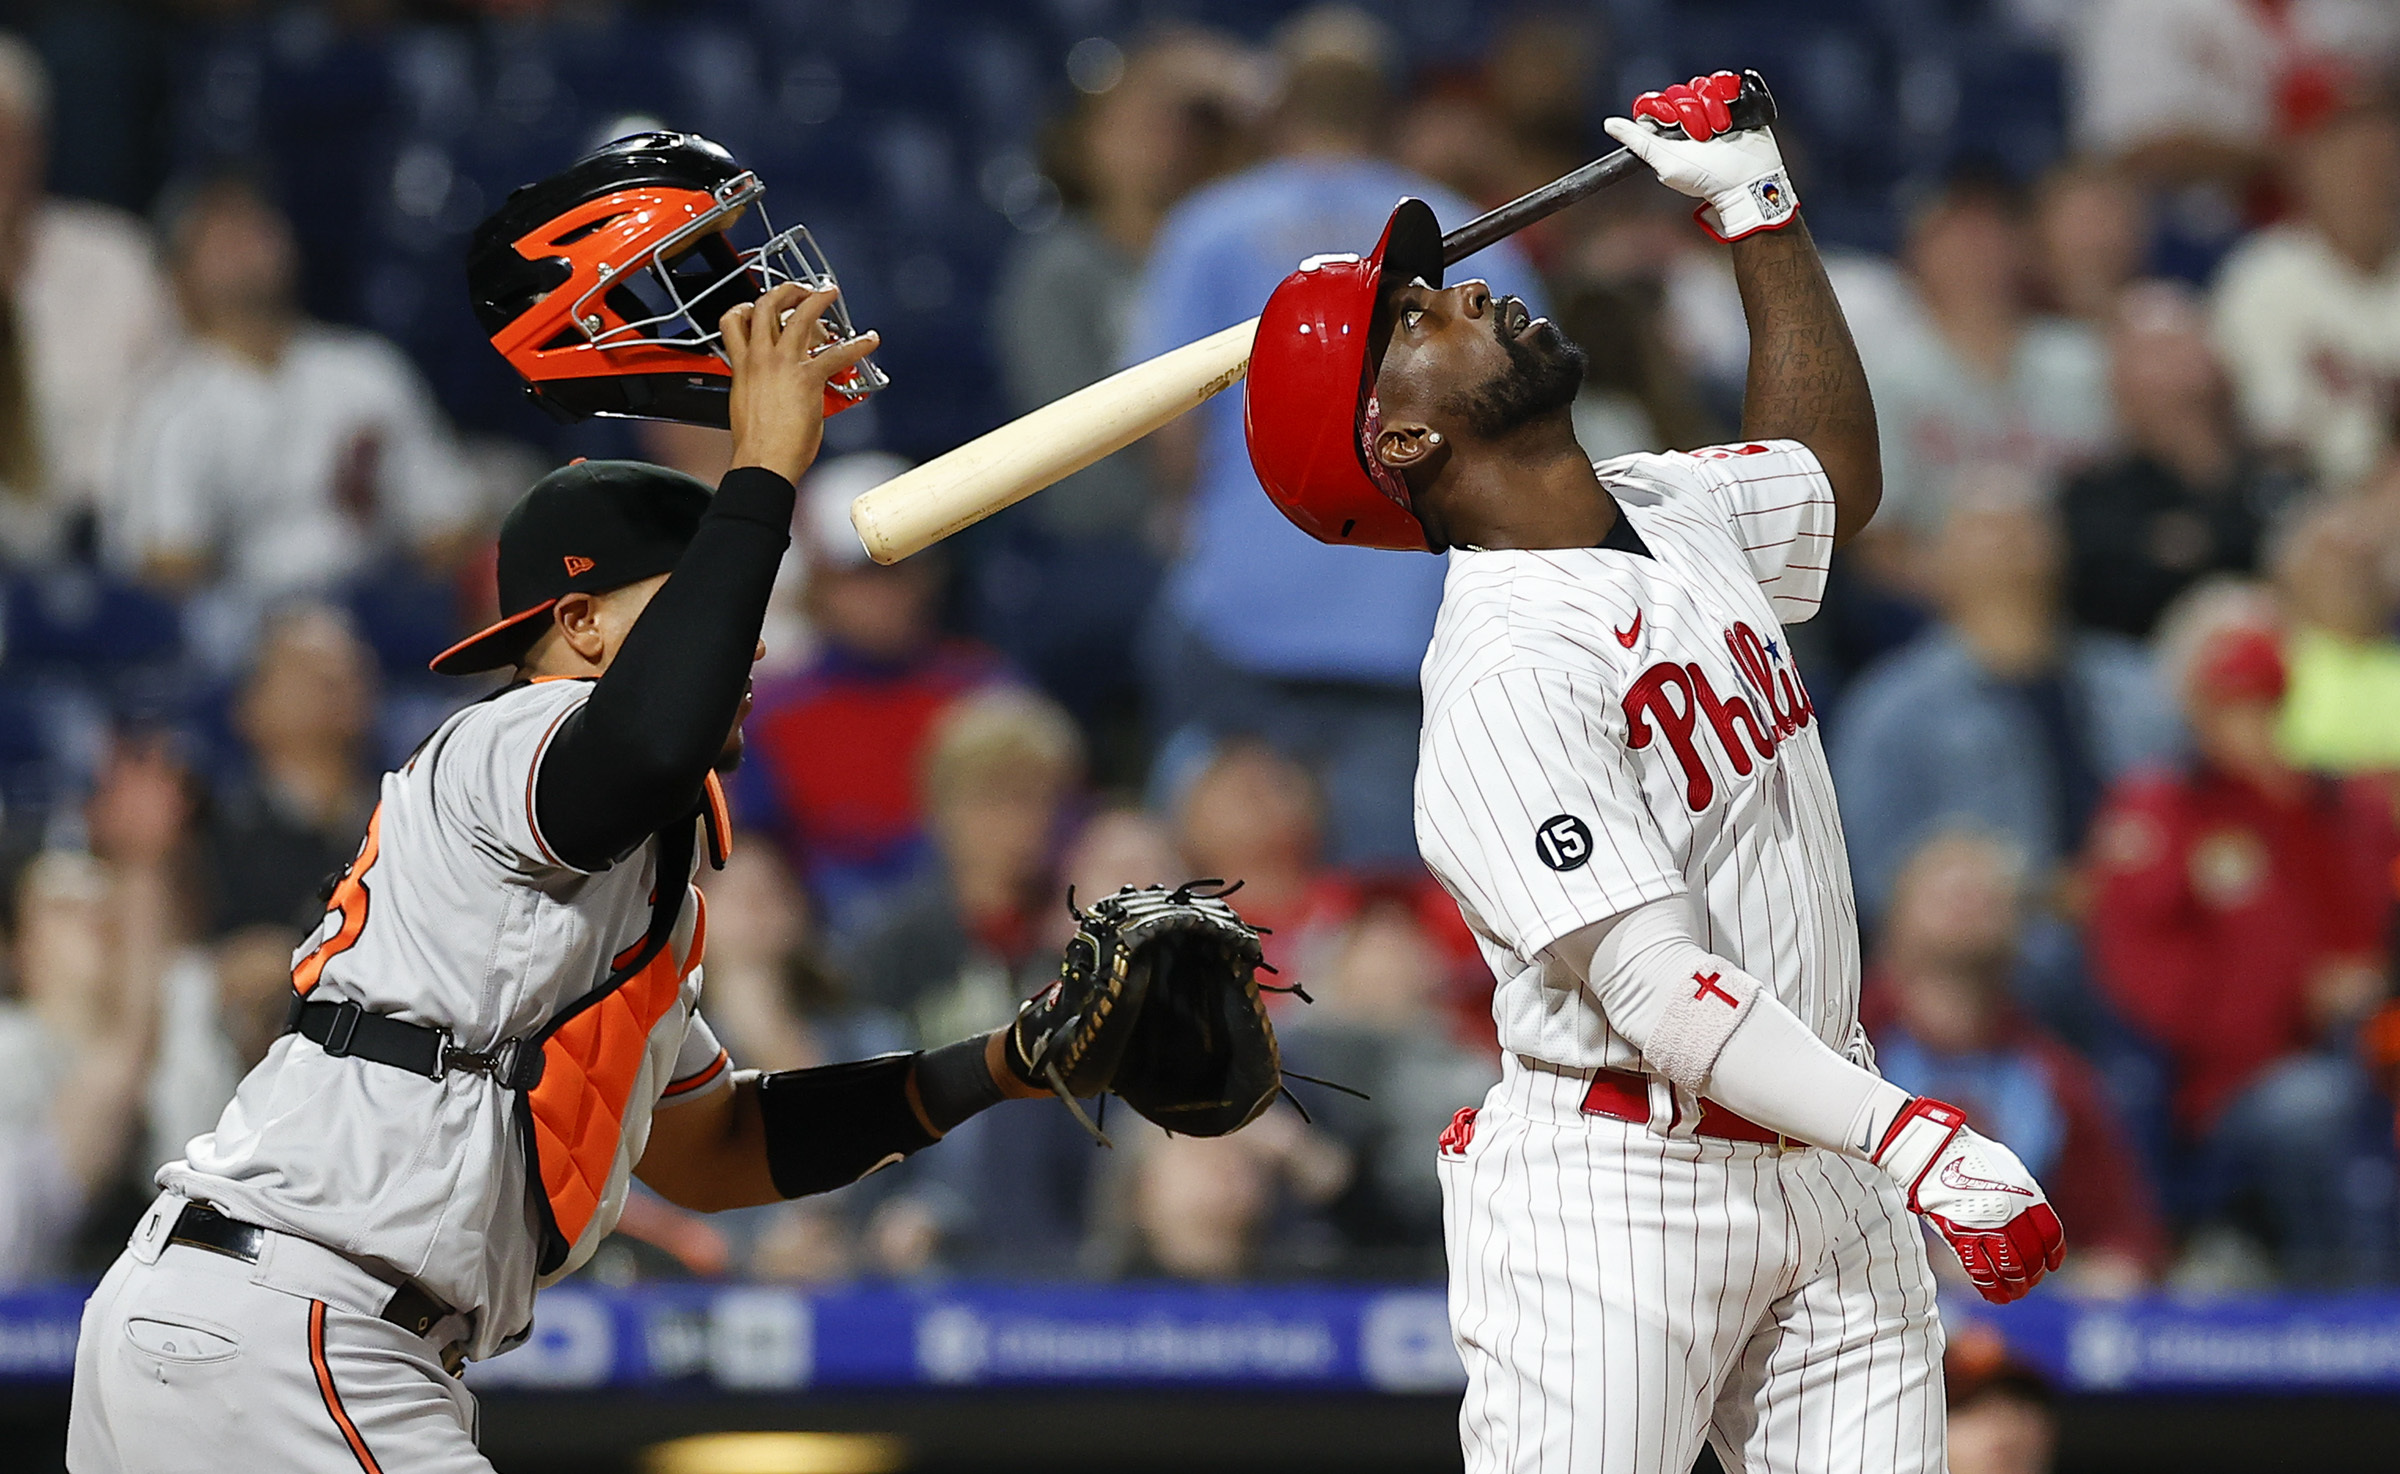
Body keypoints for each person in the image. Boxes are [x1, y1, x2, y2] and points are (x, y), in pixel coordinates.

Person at [65, 243, 1059, 1464]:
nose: (740, 642)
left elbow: (723, 1149)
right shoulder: (514, 738)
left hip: (255, 1323)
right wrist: (759, 471)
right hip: (297, 1331)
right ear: (580, 625)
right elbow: (644, 744)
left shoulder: (622, 880)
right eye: (696, 603)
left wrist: (1005, 1065)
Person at [1243, 71, 2063, 1474]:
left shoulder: (1663, 503)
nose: (1469, 293)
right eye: (1416, 319)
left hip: (1826, 1156)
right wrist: (1914, 1136)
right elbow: (1652, 985)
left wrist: (1757, 203)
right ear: (1403, 444)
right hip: (1624, 1187)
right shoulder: (1503, 673)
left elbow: (1833, 476)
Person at [1128, 3, 1547, 867]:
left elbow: (1166, 427)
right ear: (1384, 111)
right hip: (1405, 614)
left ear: (1279, 106)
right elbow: (1522, 440)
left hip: (1240, 603)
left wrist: (1185, 516)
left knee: (1218, 895)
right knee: (1380, 900)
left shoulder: (1209, 228)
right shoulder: (1470, 238)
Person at [2087, 615, 2397, 1281]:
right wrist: (2299, 995)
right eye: (2230, 707)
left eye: (2264, 704)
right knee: (2315, 1103)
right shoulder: (2167, 810)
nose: (2250, 726)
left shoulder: (2337, 808)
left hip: (2368, 1048)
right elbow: (2151, 988)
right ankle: (2360, 1309)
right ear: (2196, 713)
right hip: (2227, 1090)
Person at [106, 173, 477, 610]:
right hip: (246, 632)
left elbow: (450, 526)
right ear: (179, 277)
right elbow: (168, 573)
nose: (245, 245)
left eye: (257, 226)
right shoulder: (170, 408)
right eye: (221, 237)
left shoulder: (366, 369)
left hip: (377, 612)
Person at [1834, 479, 2183, 921]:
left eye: (2029, 522)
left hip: (2153, 932)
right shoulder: (1891, 710)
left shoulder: (2142, 686)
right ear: (1933, 562)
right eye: (1984, 526)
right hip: (1996, 959)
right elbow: (1870, 878)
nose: (2010, 535)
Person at [1867, 830, 2167, 1292]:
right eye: (1947, 890)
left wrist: (2111, 1271)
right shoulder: (1845, 1045)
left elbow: (2120, 1233)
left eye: (1984, 894)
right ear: (1894, 916)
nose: (1966, 903)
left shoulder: (2054, 1076)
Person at [736, 454, 1008, 937]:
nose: (884, 595)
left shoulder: (983, 689)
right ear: (817, 586)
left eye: (899, 571)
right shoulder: (770, 709)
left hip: (982, 928)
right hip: (828, 941)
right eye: (860, 577)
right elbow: (756, 853)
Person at [0, 742, 182, 1286]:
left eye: (105, 907)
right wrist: (142, 865)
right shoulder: (9, 1041)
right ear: (16, 947)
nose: (94, 922)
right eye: (63, 908)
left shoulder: (186, 1018)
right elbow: (119, 1064)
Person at [1856, 168, 2112, 543]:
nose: (1974, 250)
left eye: (1992, 232)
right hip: (1938, 585)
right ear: (1916, 252)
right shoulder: (1884, 374)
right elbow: (1880, 539)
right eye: (1955, 234)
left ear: (2024, 246)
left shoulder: (2085, 357)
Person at [0, 33, 175, 565]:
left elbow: (177, 407)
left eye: (9, 139)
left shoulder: (118, 257)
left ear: (39, 144)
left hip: (115, 546)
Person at [2062, 283, 2297, 639]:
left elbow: (2292, 554)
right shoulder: (2093, 495)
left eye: (2183, 344)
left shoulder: (2277, 471)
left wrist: (2193, 545)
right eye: (2153, 353)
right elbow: (2112, 588)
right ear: (2116, 381)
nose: (2177, 369)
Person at [2211, 99, 2400, 493]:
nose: (2379, 183)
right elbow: (2271, 430)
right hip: (2303, 494)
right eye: (2360, 166)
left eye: (2388, 164)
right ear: (2312, 173)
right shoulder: (2260, 277)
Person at [200, 604, 382, 936]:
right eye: (304, 669)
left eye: (351, 667)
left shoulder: (407, 821)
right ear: (250, 705)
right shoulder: (211, 838)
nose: (335, 678)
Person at [2273, 494, 2400, 773]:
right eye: (2330, 560)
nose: (2346, 578)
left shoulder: (2393, 662)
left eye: (2361, 564)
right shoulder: (2273, 656)